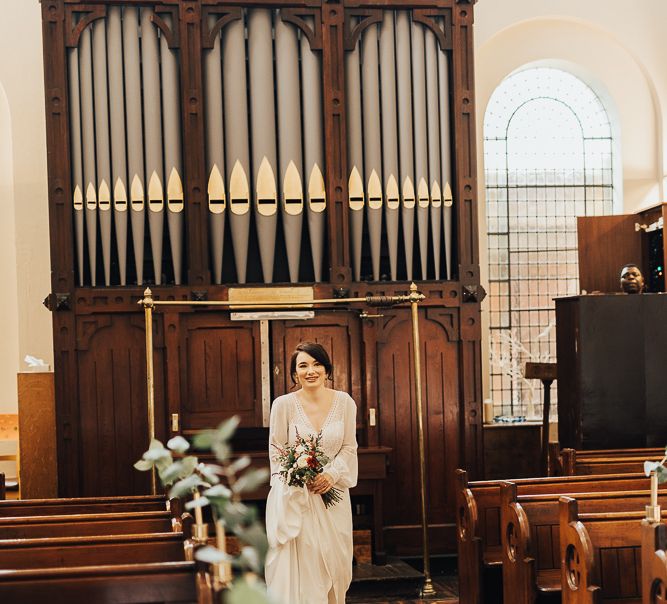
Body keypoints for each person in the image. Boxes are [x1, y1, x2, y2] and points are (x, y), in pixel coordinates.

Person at [265, 341, 358, 604]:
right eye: (303, 366)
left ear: (327, 370)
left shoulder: (345, 403)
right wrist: (296, 479)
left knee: (337, 565)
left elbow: (350, 447)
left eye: (317, 364)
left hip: (334, 496)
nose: (311, 371)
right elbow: (276, 450)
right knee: (307, 567)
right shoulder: (282, 405)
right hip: (298, 498)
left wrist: (331, 475)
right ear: (295, 374)